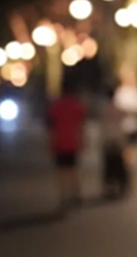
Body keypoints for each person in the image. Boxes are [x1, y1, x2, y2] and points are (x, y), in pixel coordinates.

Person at [48, 77, 86, 211]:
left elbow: (51, 127)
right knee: (73, 168)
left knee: (61, 170)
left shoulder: (55, 106)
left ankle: (63, 195)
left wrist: (50, 142)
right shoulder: (77, 105)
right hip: (72, 141)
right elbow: (81, 125)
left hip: (59, 141)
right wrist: (82, 140)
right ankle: (75, 192)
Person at [99, 86, 128, 200]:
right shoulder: (119, 109)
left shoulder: (103, 109)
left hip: (108, 139)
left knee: (108, 165)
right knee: (119, 164)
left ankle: (110, 187)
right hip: (118, 138)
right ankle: (121, 185)